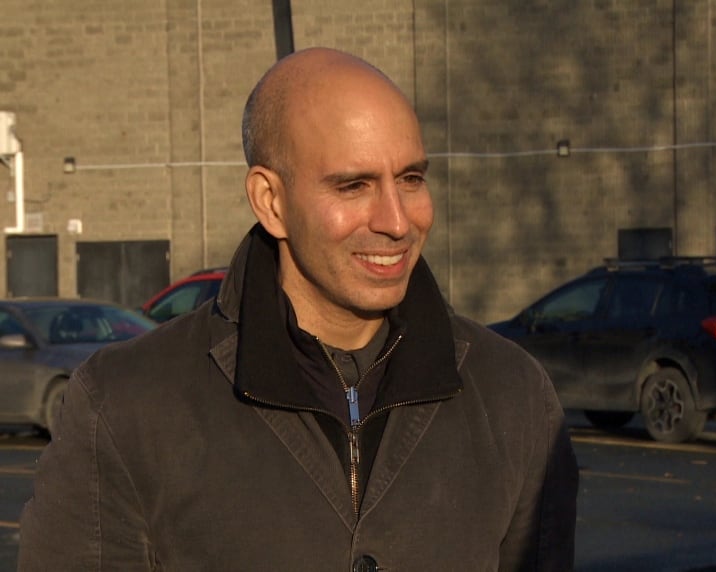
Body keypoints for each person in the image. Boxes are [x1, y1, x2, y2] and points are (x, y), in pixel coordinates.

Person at [18, 47, 578, 571]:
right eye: (354, 185)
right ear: (271, 201)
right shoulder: (124, 405)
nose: (397, 221)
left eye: (411, 179)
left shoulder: (513, 396)